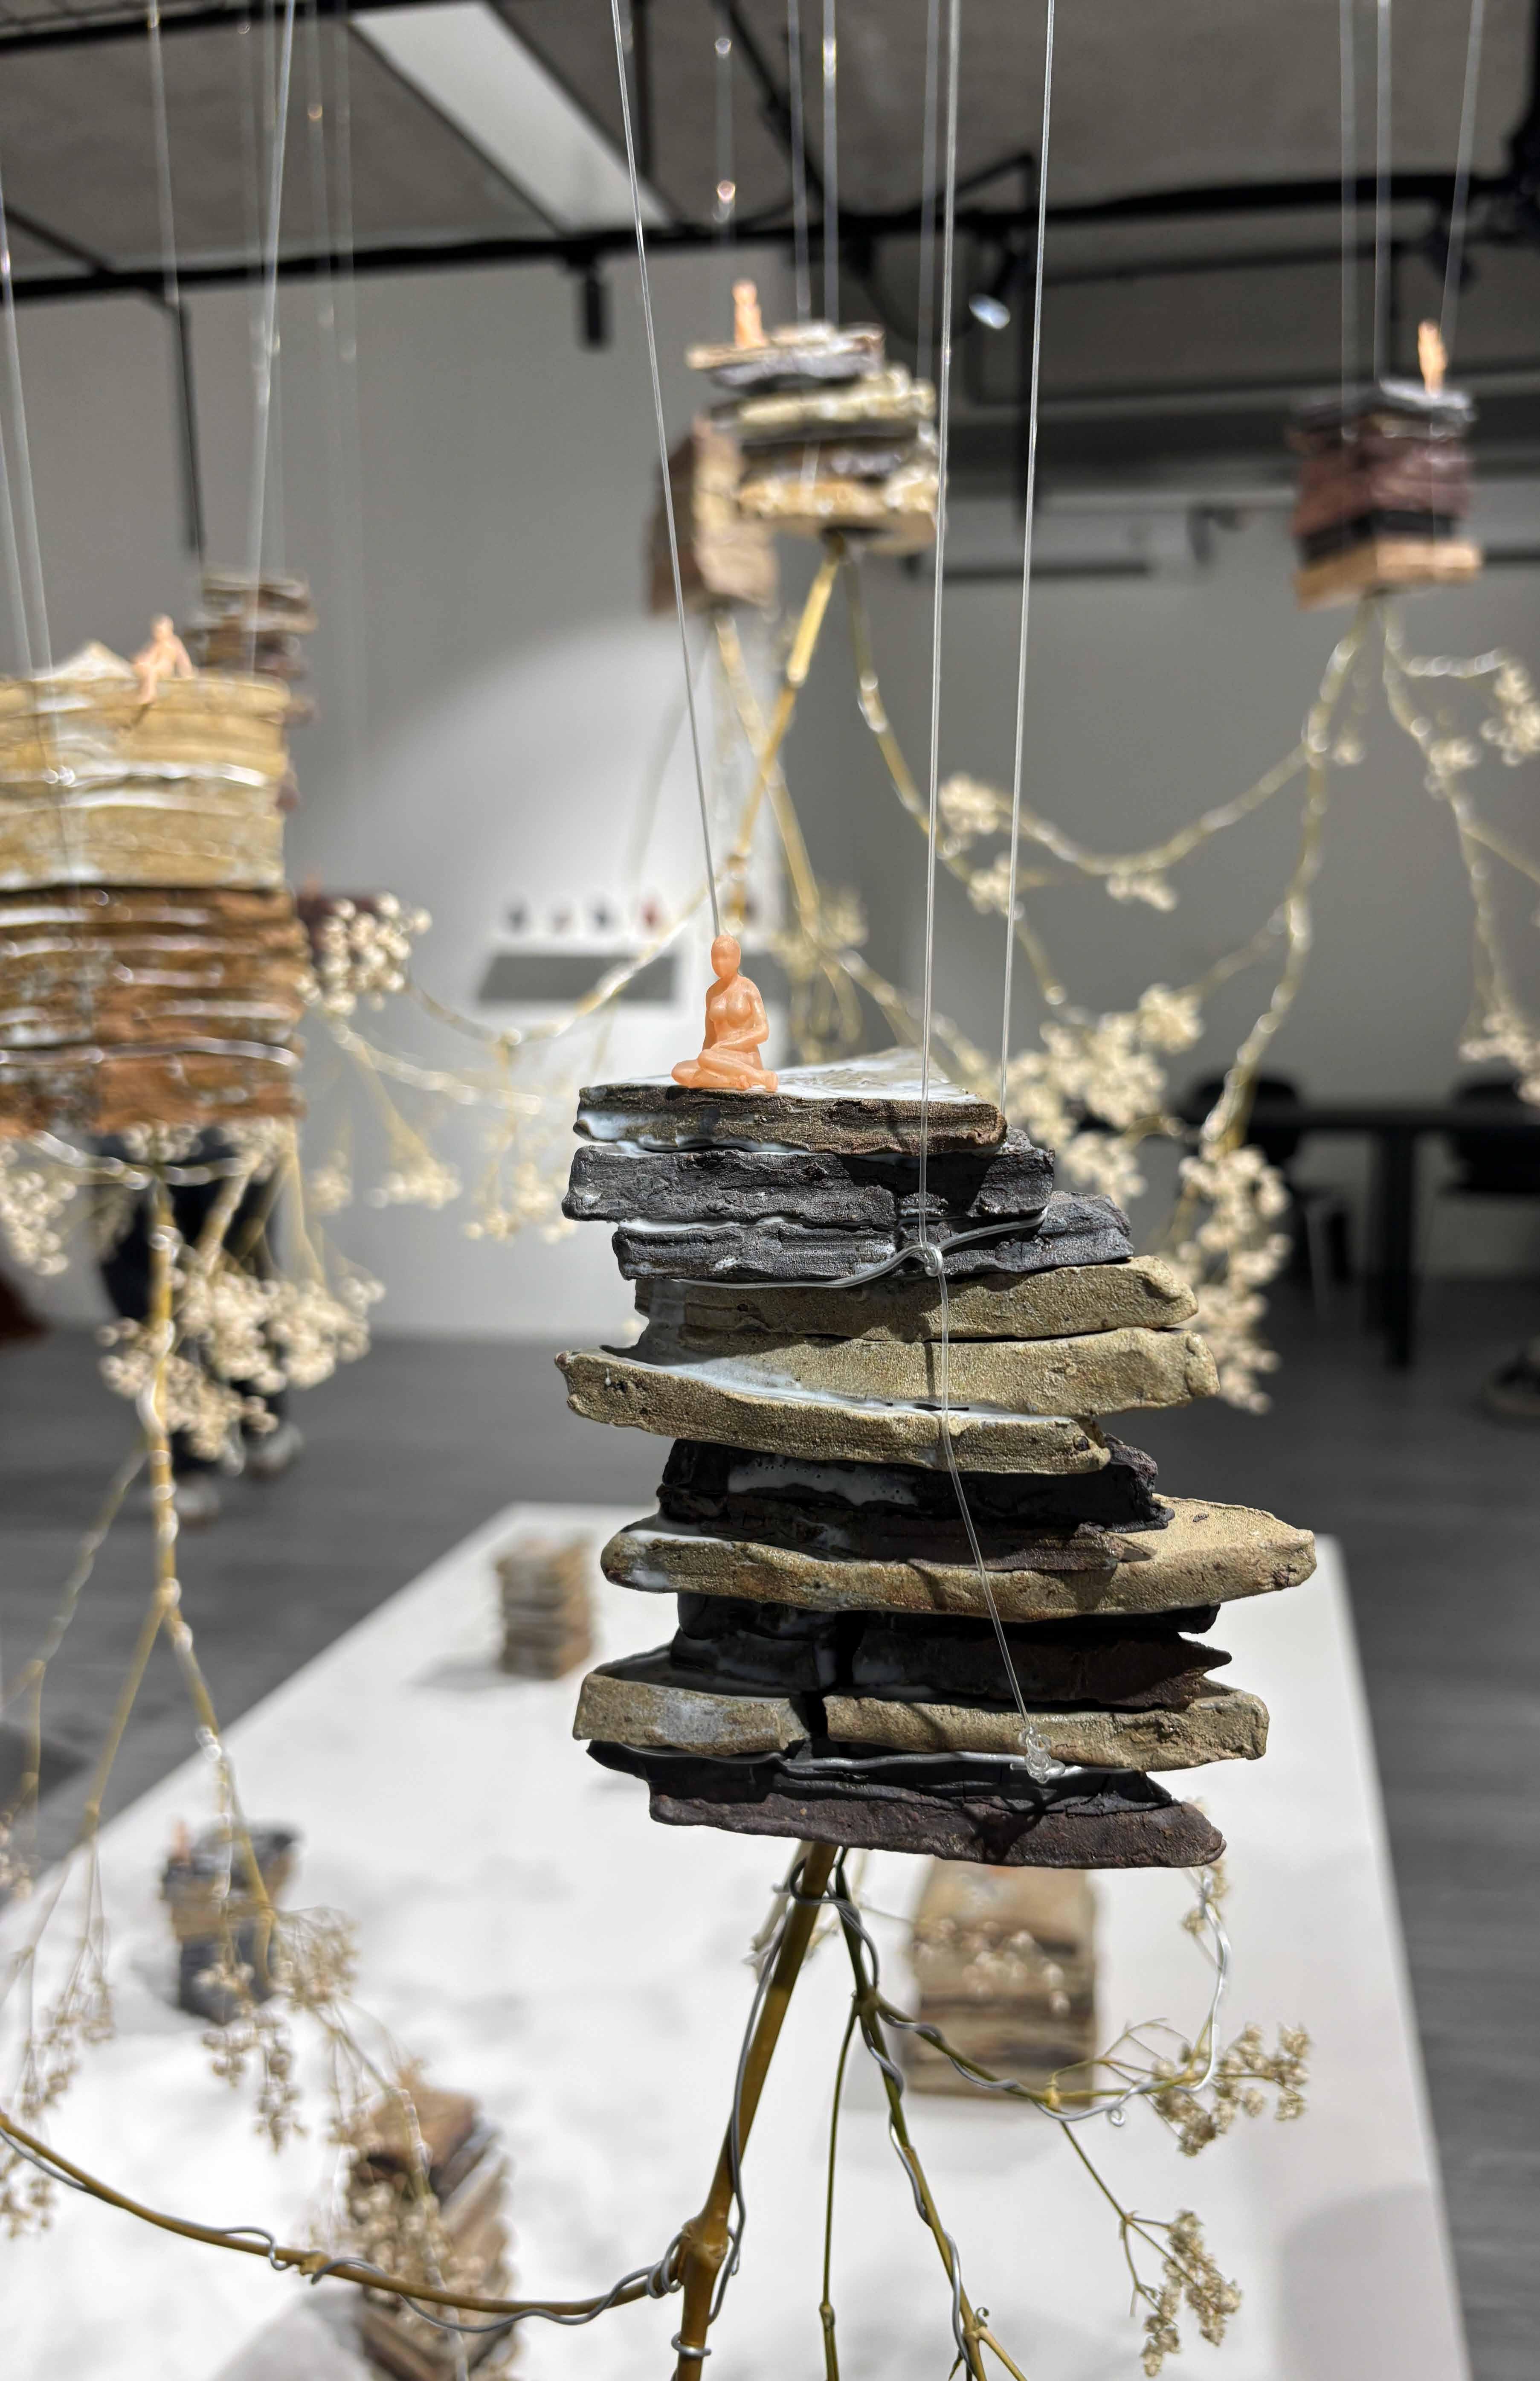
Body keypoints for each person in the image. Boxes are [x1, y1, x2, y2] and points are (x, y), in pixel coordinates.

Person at [98, 1134, 302, 1525]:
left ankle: (259, 1422)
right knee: (148, 1308)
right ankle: (187, 1462)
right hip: (127, 1151)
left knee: (241, 1290)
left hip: (229, 1141)